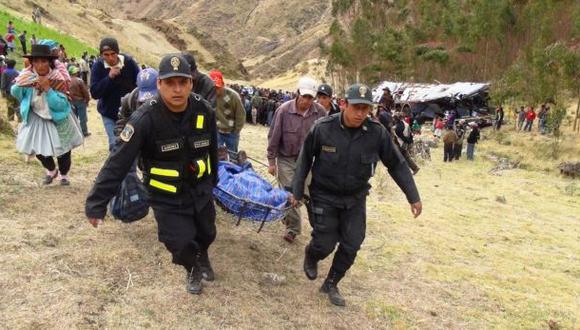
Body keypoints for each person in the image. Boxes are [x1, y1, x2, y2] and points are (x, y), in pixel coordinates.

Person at [85, 54, 218, 295]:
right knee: (179, 242)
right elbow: (118, 161)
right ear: (159, 84)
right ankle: (191, 267)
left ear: (191, 83)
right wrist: (96, 202)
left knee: (207, 232)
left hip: (199, 189)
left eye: (182, 82)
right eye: (170, 83)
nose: (177, 89)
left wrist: (213, 183)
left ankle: (203, 254)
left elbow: (212, 151)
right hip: (166, 196)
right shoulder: (144, 118)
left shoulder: (204, 110)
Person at [291, 83, 422, 306]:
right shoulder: (323, 128)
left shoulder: (377, 133)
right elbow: (304, 160)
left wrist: (413, 196)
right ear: (344, 104)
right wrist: (296, 191)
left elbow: (396, 165)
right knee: (325, 243)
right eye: (356, 107)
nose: (361, 113)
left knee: (353, 243)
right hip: (324, 194)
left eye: (366, 108)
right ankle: (312, 255)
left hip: (355, 197)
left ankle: (331, 283)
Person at [11, 44, 83, 185]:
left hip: (59, 118)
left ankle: (63, 175)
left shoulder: (58, 79)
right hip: (37, 116)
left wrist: (48, 89)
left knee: (64, 150)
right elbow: (16, 93)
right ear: (31, 63)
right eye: (36, 61)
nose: (40, 65)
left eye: (44, 61)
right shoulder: (27, 77)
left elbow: (61, 105)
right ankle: (51, 170)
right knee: (37, 148)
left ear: (49, 62)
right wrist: (21, 81)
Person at [267, 76, 326, 243]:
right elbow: (273, 136)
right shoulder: (283, 110)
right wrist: (272, 162)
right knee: (290, 192)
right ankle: (292, 229)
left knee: (302, 194)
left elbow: (325, 137)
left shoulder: (320, 112)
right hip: (286, 158)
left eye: (310, 98)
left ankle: (285, 212)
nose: (307, 101)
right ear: (297, 93)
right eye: (304, 96)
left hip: (308, 161)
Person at [90, 37, 140, 150]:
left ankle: (131, 168)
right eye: (106, 55)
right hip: (109, 114)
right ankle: (117, 167)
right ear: (101, 55)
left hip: (129, 114)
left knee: (130, 143)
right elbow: (94, 93)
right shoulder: (98, 66)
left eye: (113, 54)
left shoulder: (129, 63)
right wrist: (109, 77)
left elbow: (139, 85)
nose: (110, 58)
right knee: (115, 145)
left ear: (117, 52)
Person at [114, 67, 159, 136]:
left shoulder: (170, 99)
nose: (148, 102)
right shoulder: (129, 101)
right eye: (144, 101)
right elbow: (122, 123)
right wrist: (123, 136)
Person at [209, 69, 245, 153]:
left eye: (218, 87)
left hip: (231, 132)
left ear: (223, 84)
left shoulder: (233, 96)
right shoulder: (209, 95)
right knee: (216, 154)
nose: (216, 90)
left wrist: (236, 131)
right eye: (213, 87)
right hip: (217, 131)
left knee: (232, 155)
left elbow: (241, 115)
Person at [68, 66, 91, 137]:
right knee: (83, 118)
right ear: (75, 73)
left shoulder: (67, 81)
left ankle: (75, 133)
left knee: (74, 118)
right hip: (80, 101)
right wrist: (87, 100)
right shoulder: (79, 81)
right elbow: (85, 92)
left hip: (71, 101)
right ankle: (84, 132)